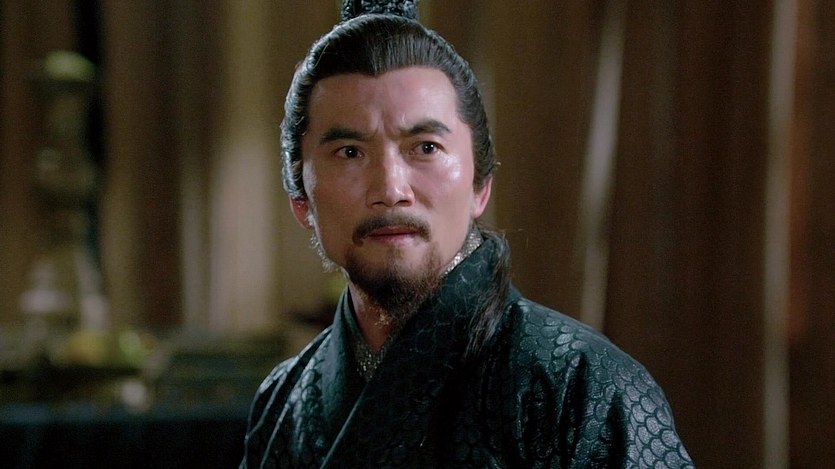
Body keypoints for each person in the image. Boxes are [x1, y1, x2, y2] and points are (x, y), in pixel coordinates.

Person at [241, 2, 694, 467]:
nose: (391, 190)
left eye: (426, 147)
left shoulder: (580, 385)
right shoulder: (283, 402)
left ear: (480, 186)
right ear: (301, 201)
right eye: (350, 152)